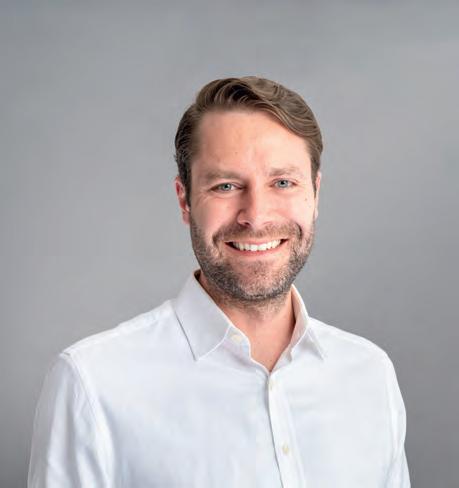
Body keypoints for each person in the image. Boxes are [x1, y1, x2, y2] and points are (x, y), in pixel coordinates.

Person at [28, 76, 410, 487]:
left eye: (283, 182)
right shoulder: (92, 384)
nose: (256, 216)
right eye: (226, 186)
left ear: (315, 194)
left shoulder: (370, 375)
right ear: (184, 200)